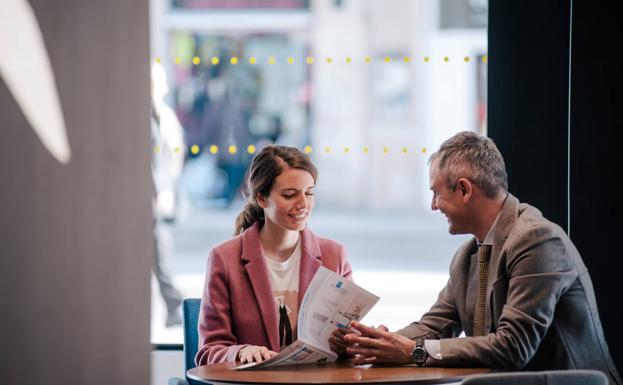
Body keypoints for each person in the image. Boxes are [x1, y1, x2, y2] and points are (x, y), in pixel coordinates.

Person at [336, 131, 622, 385]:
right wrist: (374, 343)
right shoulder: (468, 255)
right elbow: (434, 326)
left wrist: (414, 351)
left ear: (464, 189)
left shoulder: (537, 240)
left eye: (436, 193)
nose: (433, 206)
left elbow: (514, 347)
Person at [196, 145, 353, 365]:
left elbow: (344, 341)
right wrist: (240, 352)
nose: (303, 205)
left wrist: (357, 341)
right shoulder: (224, 259)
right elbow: (208, 352)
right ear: (261, 198)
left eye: (309, 193)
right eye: (290, 195)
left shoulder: (334, 256)